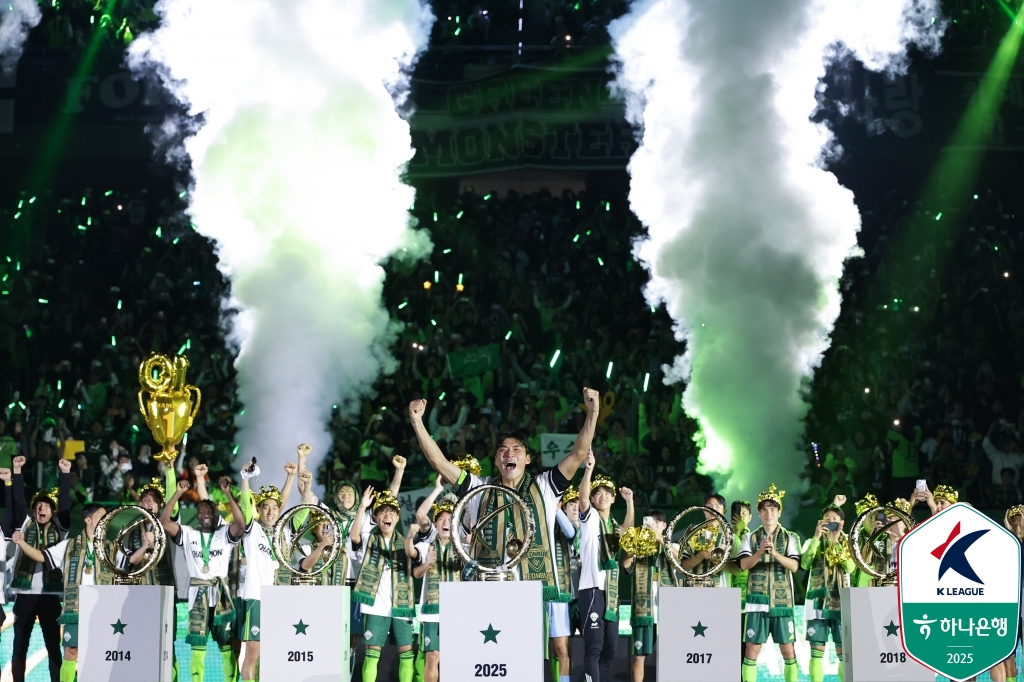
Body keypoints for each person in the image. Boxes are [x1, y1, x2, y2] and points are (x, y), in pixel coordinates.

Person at [408, 387, 599, 596]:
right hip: (489, 591)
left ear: (528, 459)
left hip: (530, 591)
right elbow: (439, 462)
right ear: (496, 460)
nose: (509, 454)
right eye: (503, 450)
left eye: (517, 449)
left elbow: (578, 453)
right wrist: (417, 422)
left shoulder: (545, 487)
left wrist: (593, 412)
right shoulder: (478, 488)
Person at [236, 449, 318, 682]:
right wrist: (245, 478)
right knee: (252, 655)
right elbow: (245, 506)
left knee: (272, 656)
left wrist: (301, 482)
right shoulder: (252, 530)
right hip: (256, 598)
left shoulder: (286, 530)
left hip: (279, 599)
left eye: (275, 508)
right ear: (259, 510)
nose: (271, 512)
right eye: (266, 507)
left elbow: (303, 509)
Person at [159, 478, 244, 682]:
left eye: (210, 512)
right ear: (197, 516)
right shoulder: (189, 534)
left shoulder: (224, 534)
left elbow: (241, 524)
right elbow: (163, 522)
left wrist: (228, 494)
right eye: (202, 512)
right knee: (198, 650)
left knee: (226, 649)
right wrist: (178, 494)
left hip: (221, 597)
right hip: (198, 599)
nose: (206, 515)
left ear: (215, 515)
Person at [8, 454, 71, 682]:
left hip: (50, 596)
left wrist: (65, 474)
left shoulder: (61, 529)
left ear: (52, 511)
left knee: (53, 646)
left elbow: (65, 504)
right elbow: (18, 502)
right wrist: (17, 472)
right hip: (25, 594)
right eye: (38, 505)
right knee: (20, 645)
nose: (41, 508)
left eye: (46, 505)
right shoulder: (25, 526)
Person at [578, 450, 635, 682]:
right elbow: (582, 500)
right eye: (598, 493)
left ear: (613, 499)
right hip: (592, 589)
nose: (602, 496)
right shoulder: (590, 518)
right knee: (594, 647)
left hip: (611, 594)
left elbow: (627, 531)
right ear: (593, 499)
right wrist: (588, 469)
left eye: (607, 493)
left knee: (610, 650)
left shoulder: (613, 524)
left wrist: (630, 502)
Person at [350, 485, 416, 682]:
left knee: (407, 653)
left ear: (397, 517)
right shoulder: (369, 539)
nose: (387, 515)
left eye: (391, 512)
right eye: (382, 512)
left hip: (401, 605)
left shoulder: (406, 543)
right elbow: (354, 536)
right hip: (376, 605)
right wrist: (362, 507)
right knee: (372, 655)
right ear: (376, 518)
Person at [737, 484, 801, 682]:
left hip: (782, 603)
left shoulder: (790, 537)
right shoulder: (750, 537)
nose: (769, 513)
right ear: (759, 513)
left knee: (788, 651)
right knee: (751, 650)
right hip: (757, 602)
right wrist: (760, 552)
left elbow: (794, 566)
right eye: (764, 509)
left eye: (773, 509)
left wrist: (774, 553)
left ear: (779, 512)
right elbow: (744, 565)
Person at [44, 503, 109, 682]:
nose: (106, 519)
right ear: (88, 520)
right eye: (101, 516)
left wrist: (146, 545)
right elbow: (42, 556)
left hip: (101, 608)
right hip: (76, 608)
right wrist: (21, 543)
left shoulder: (111, 547)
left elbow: (131, 560)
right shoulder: (69, 545)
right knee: (71, 651)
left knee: (98, 653)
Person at [406, 478, 461, 682]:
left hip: (456, 610)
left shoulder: (463, 544)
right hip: (432, 610)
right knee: (432, 657)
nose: (445, 522)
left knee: (455, 658)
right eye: (441, 519)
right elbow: (415, 570)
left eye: (450, 518)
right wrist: (438, 489)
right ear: (436, 523)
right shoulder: (428, 542)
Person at [621, 509, 676, 682]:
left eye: (657, 522)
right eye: (650, 522)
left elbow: (680, 560)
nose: (654, 526)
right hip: (643, 610)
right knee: (638, 657)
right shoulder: (639, 547)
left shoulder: (672, 546)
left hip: (668, 610)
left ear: (664, 526)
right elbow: (626, 565)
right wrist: (631, 549)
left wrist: (660, 539)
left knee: (671, 657)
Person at [801, 502, 854, 682]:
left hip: (841, 603)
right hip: (817, 602)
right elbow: (804, 564)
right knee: (816, 652)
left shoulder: (849, 542)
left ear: (842, 522)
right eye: (827, 519)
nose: (830, 522)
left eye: (834, 519)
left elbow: (850, 567)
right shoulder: (811, 541)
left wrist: (835, 543)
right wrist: (816, 537)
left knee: (843, 653)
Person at [551, 484, 580, 682]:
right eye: (571, 504)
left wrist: (554, 507)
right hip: (559, 593)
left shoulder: (583, 527)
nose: (576, 507)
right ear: (564, 506)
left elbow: (571, 533)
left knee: (571, 647)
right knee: (559, 647)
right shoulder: (551, 528)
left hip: (580, 596)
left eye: (578, 504)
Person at [679, 493, 735, 588]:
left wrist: (718, 559)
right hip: (695, 588)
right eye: (709, 506)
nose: (713, 510)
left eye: (717, 506)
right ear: (704, 510)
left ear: (724, 511)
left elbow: (736, 570)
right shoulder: (692, 533)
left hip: (720, 589)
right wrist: (701, 555)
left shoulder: (731, 536)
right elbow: (683, 566)